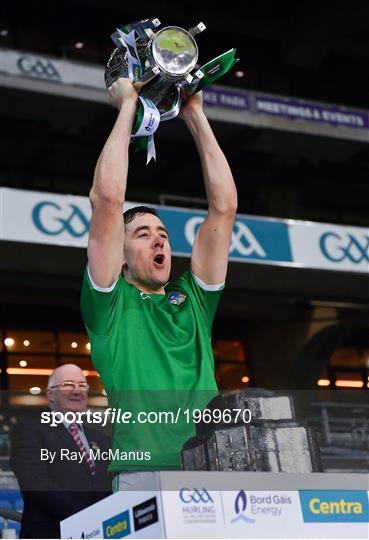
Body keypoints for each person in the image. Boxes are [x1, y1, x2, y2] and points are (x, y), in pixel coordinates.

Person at [80, 78, 237, 489]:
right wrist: (127, 105)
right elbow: (108, 201)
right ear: (122, 253)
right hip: (142, 472)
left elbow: (224, 208)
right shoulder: (109, 306)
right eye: (143, 233)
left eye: (163, 233)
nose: (159, 238)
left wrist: (195, 114)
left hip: (214, 465)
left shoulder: (194, 301)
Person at [10, 364, 111, 539]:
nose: (76, 390)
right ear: (50, 394)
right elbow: (36, 483)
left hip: (100, 532)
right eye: (68, 384)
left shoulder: (101, 439)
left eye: (81, 385)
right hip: (51, 533)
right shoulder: (29, 430)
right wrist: (87, 517)